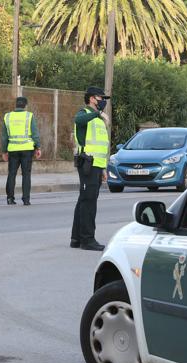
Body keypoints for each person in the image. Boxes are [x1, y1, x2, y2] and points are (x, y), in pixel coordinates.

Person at [70, 87, 111, 251]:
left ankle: (76, 238)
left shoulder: (99, 119)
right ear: (92, 99)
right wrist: (97, 114)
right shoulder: (84, 113)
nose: (103, 101)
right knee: (89, 202)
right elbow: (78, 121)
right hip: (87, 163)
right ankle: (88, 240)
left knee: (84, 200)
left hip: (96, 164)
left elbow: (101, 146)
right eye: (101, 98)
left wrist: (103, 168)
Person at [1, 96, 41, 206]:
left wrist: (4, 151)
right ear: (25, 105)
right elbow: (35, 133)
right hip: (27, 149)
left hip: (13, 149)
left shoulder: (7, 116)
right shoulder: (29, 116)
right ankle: (26, 199)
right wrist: (38, 147)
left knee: (11, 174)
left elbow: (4, 136)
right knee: (26, 175)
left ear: (16, 105)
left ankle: (10, 198)